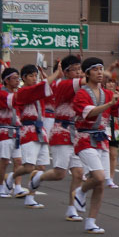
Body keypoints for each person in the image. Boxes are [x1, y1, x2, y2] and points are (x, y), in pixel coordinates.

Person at [72, 57, 119, 233]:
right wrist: (109, 104)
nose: (100, 72)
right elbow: (89, 113)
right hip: (84, 139)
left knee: (101, 184)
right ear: (87, 73)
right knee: (99, 177)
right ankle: (80, 192)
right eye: (95, 69)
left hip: (101, 140)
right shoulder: (81, 94)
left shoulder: (108, 94)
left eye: (101, 69)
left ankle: (91, 221)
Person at [33, 55, 86, 221]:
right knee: (59, 174)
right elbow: (83, 82)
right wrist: (101, 72)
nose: (78, 73)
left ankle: (71, 209)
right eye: (75, 70)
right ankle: (38, 176)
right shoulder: (62, 85)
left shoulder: (81, 87)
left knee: (78, 173)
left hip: (77, 133)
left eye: (80, 69)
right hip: (61, 131)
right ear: (65, 71)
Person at [2, 63, 63, 207]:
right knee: (29, 167)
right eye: (31, 76)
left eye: (36, 75)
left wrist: (57, 79)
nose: (34, 78)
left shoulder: (38, 92)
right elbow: (39, 88)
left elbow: (50, 90)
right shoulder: (22, 92)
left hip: (40, 130)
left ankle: (30, 197)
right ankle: (12, 176)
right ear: (24, 78)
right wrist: (55, 75)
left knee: (41, 168)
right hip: (28, 130)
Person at [0, 67, 23, 198]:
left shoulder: (17, 93)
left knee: (18, 161)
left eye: (18, 78)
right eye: (14, 78)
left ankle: (17, 187)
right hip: (4, 130)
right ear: (6, 80)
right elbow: (14, 101)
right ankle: (0, 186)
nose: (17, 81)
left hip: (17, 131)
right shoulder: (2, 94)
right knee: (5, 161)